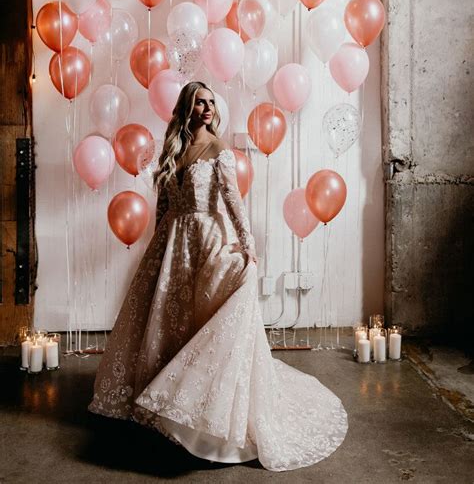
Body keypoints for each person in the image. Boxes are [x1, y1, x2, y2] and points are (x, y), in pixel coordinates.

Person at [88, 81, 347, 471]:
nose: (207, 108)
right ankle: (161, 404)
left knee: (204, 321)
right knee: (166, 322)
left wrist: (248, 247)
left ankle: (199, 409)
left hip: (207, 240)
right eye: (199, 102)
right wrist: (156, 245)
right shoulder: (172, 151)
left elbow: (232, 201)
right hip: (172, 243)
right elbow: (163, 204)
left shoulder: (219, 150)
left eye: (211, 102)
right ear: (186, 108)